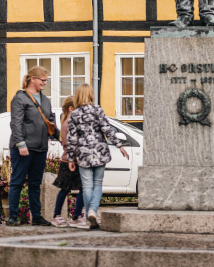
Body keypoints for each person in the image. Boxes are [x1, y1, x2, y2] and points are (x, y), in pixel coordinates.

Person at [66, 83, 128, 229]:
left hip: (83, 153)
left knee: (87, 185)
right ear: (91, 95)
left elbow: (71, 138)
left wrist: (70, 158)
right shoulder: (98, 110)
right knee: (98, 183)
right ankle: (93, 211)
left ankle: (89, 216)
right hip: (99, 151)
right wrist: (119, 145)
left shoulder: (74, 114)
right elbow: (107, 129)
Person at [7, 65, 56, 226]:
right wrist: (21, 144)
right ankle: (13, 216)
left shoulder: (46, 100)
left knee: (35, 184)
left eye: (46, 80)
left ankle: (37, 216)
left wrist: (60, 138)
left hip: (41, 148)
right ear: (32, 79)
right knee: (17, 182)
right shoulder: (20, 98)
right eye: (43, 80)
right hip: (23, 148)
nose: (45, 83)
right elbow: (16, 123)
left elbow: (50, 121)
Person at [51, 97, 86, 227]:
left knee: (83, 188)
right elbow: (69, 143)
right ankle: (57, 215)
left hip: (77, 160)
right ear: (71, 109)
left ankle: (76, 216)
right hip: (68, 161)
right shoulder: (68, 123)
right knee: (65, 189)